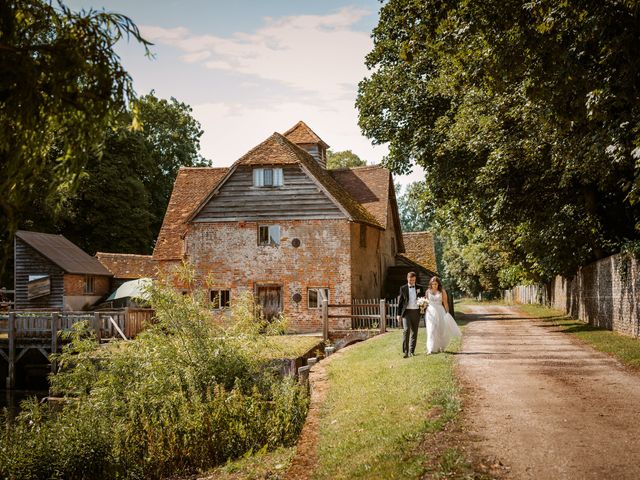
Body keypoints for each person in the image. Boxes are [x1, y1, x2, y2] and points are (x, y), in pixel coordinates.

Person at [425, 276, 461, 354]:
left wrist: (447, 313)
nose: (434, 285)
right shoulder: (428, 291)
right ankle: (430, 348)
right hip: (430, 313)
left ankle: (441, 346)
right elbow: (426, 302)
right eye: (433, 284)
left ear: (438, 284)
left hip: (440, 311)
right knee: (431, 330)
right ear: (430, 284)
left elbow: (445, 303)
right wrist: (423, 306)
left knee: (441, 330)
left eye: (436, 284)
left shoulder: (442, 291)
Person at [396, 272, 424, 358]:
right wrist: (398, 314)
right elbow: (400, 302)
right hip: (406, 312)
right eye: (410, 280)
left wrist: (423, 306)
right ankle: (405, 351)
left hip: (416, 312)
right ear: (407, 278)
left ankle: (412, 351)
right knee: (406, 330)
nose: (412, 281)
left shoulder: (420, 287)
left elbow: (422, 299)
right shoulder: (403, 288)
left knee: (414, 332)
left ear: (415, 279)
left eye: (414, 280)